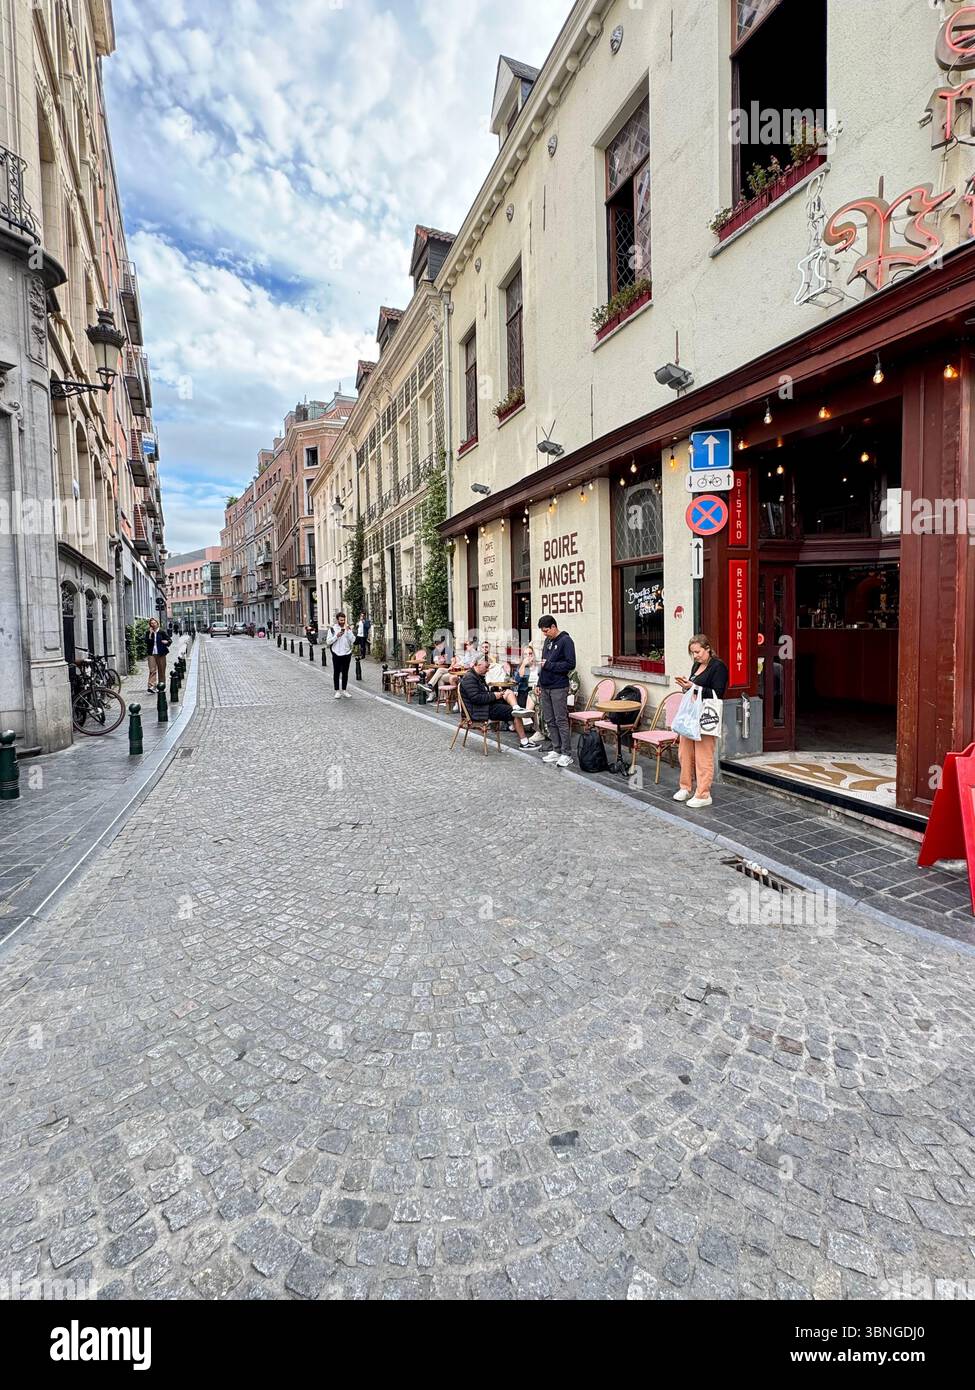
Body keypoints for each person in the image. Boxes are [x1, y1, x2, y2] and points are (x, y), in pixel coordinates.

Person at [674, 633, 729, 809]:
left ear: (707, 649)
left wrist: (694, 687)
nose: (695, 656)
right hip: (691, 716)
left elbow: (718, 693)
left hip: (706, 717)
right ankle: (686, 787)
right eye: (692, 653)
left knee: (704, 755)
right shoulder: (696, 665)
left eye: (698, 652)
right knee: (685, 752)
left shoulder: (718, 666)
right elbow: (694, 691)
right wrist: (686, 687)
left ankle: (703, 793)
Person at [534, 615, 577, 767]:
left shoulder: (566, 641)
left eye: (546, 631)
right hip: (545, 686)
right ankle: (556, 749)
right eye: (543, 631)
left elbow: (571, 664)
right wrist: (539, 683)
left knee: (560, 720)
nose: (544, 634)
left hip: (559, 686)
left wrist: (550, 665)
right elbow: (543, 664)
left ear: (553, 627)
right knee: (549, 720)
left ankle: (567, 753)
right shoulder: (548, 641)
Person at [459, 658, 532, 746]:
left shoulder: (476, 676)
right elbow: (476, 698)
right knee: (513, 712)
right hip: (479, 711)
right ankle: (524, 742)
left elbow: (481, 694)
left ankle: (517, 708)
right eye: (486, 667)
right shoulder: (470, 678)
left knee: (507, 693)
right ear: (478, 665)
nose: (488, 669)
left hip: (482, 707)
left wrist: (496, 694)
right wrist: (494, 695)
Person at [326, 612, 355, 698]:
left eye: (344, 620)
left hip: (346, 653)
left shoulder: (347, 628)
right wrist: (336, 636)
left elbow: (353, 640)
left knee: (345, 672)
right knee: (336, 672)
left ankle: (344, 690)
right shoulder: (332, 629)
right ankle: (337, 691)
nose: (342, 622)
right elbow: (328, 642)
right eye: (341, 620)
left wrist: (349, 631)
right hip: (336, 653)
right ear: (337, 620)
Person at [144, 617, 171, 694]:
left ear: (157, 623)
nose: (153, 624)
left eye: (154, 623)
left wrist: (167, 642)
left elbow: (169, 640)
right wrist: (150, 634)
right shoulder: (148, 632)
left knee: (161, 670)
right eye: (151, 623)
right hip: (151, 653)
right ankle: (152, 686)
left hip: (161, 653)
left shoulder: (162, 632)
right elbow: (146, 642)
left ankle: (161, 685)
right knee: (152, 670)